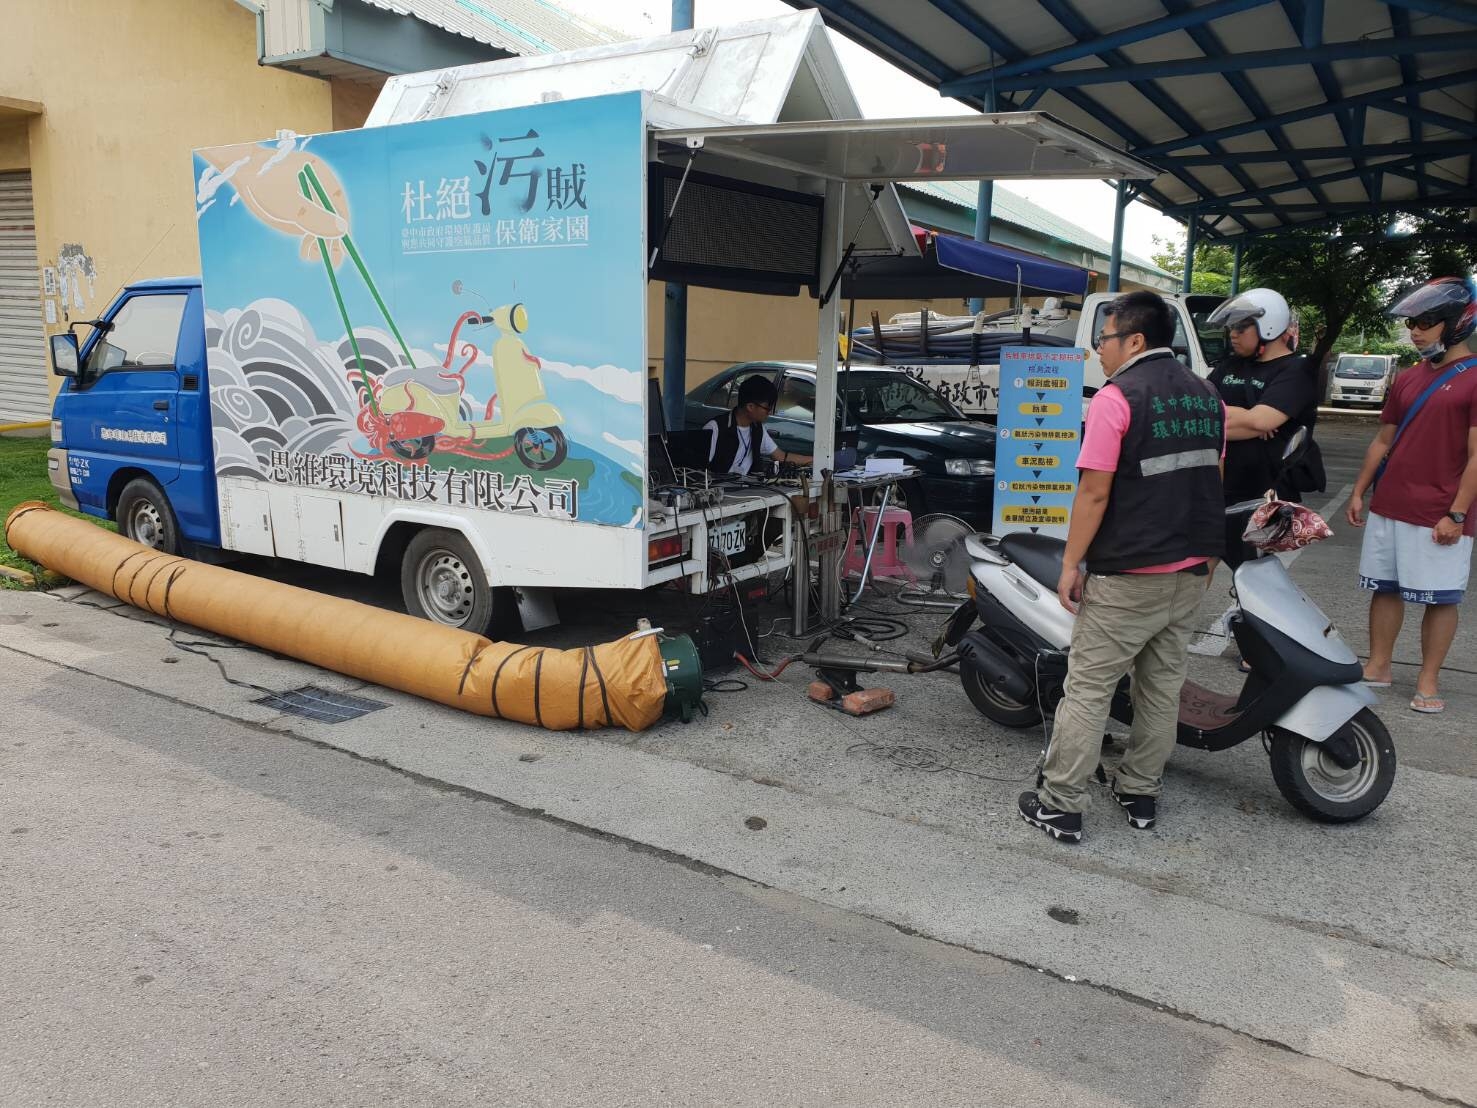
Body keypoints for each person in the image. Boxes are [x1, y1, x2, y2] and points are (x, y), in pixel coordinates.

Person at [1018, 291, 1225, 844]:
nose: (1098, 352)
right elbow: (1211, 476)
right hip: (1192, 572)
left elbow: (1092, 493)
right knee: (1161, 690)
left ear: (1133, 340)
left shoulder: (1117, 397)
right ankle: (1139, 792)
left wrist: (1070, 563)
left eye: (1102, 340)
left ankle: (1060, 804)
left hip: (1130, 575)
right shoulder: (1208, 396)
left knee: (1087, 690)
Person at [1346, 276, 1477, 715]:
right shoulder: (1406, 378)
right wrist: (1360, 491)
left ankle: (1428, 678)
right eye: (1411, 323)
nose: (1415, 331)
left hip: (1440, 511)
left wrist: (1456, 514)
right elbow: (1384, 440)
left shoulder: (1474, 379)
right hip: (1391, 505)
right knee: (1385, 588)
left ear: (1457, 323)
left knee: (1440, 597)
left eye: (1425, 322)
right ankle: (1378, 664)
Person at [1206, 288, 1320, 568]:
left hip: (1261, 493)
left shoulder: (1296, 371)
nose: (1233, 333)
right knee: (1201, 561)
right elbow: (1196, 411)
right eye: (1232, 326)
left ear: (1268, 326)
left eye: (1242, 326)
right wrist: (1248, 417)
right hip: (1217, 483)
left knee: (1252, 570)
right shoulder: (1229, 366)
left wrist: (1251, 420)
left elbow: (1261, 422)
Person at [703, 374, 811, 476]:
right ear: (750, 406)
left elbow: (780, 456)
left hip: (747, 491)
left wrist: (813, 460)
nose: (769, 413)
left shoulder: (757, 428)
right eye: (767, 408)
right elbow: (699, 470)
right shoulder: (715, 428)